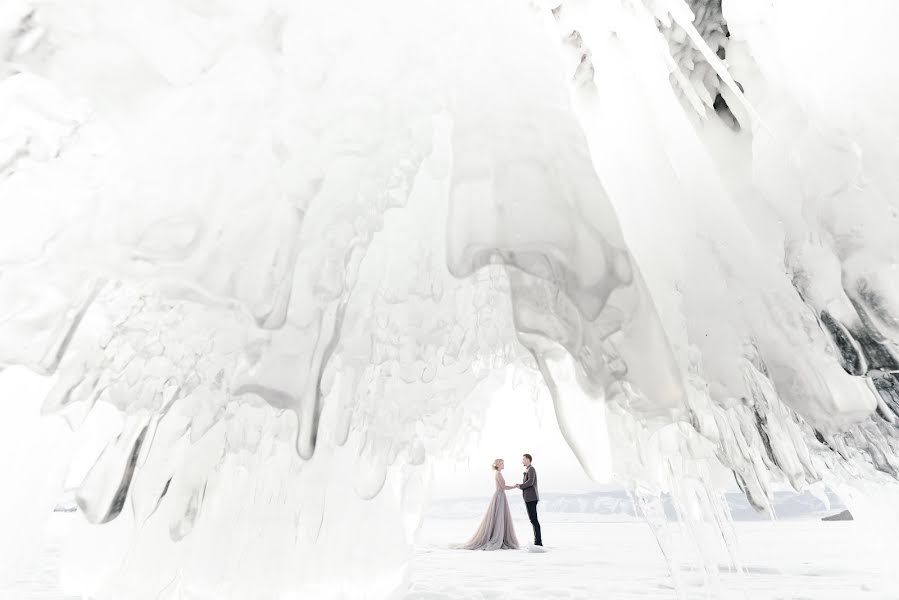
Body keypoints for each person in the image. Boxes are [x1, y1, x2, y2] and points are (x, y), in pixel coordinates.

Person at [457, 459, 520, 550]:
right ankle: (497, 537)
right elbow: (503, 487)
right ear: (498, 465)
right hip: (499, 496)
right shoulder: (498, 474)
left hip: (500, 496)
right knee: (499, 517)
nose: (503, 465)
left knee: (500, 517)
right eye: (502, 463)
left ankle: (500, 537)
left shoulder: (498, 474)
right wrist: (514, 486)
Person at [520, 453, 542, 546]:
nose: (522, 461)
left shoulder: (531, 469)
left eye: (524, 459)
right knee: (533, 520)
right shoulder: (528, 469)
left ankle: (538, 542)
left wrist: (520, 486)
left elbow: (530, 482)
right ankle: (537, 541)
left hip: (531, 498)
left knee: (534, 520)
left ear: (528, 459)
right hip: (529, 498)